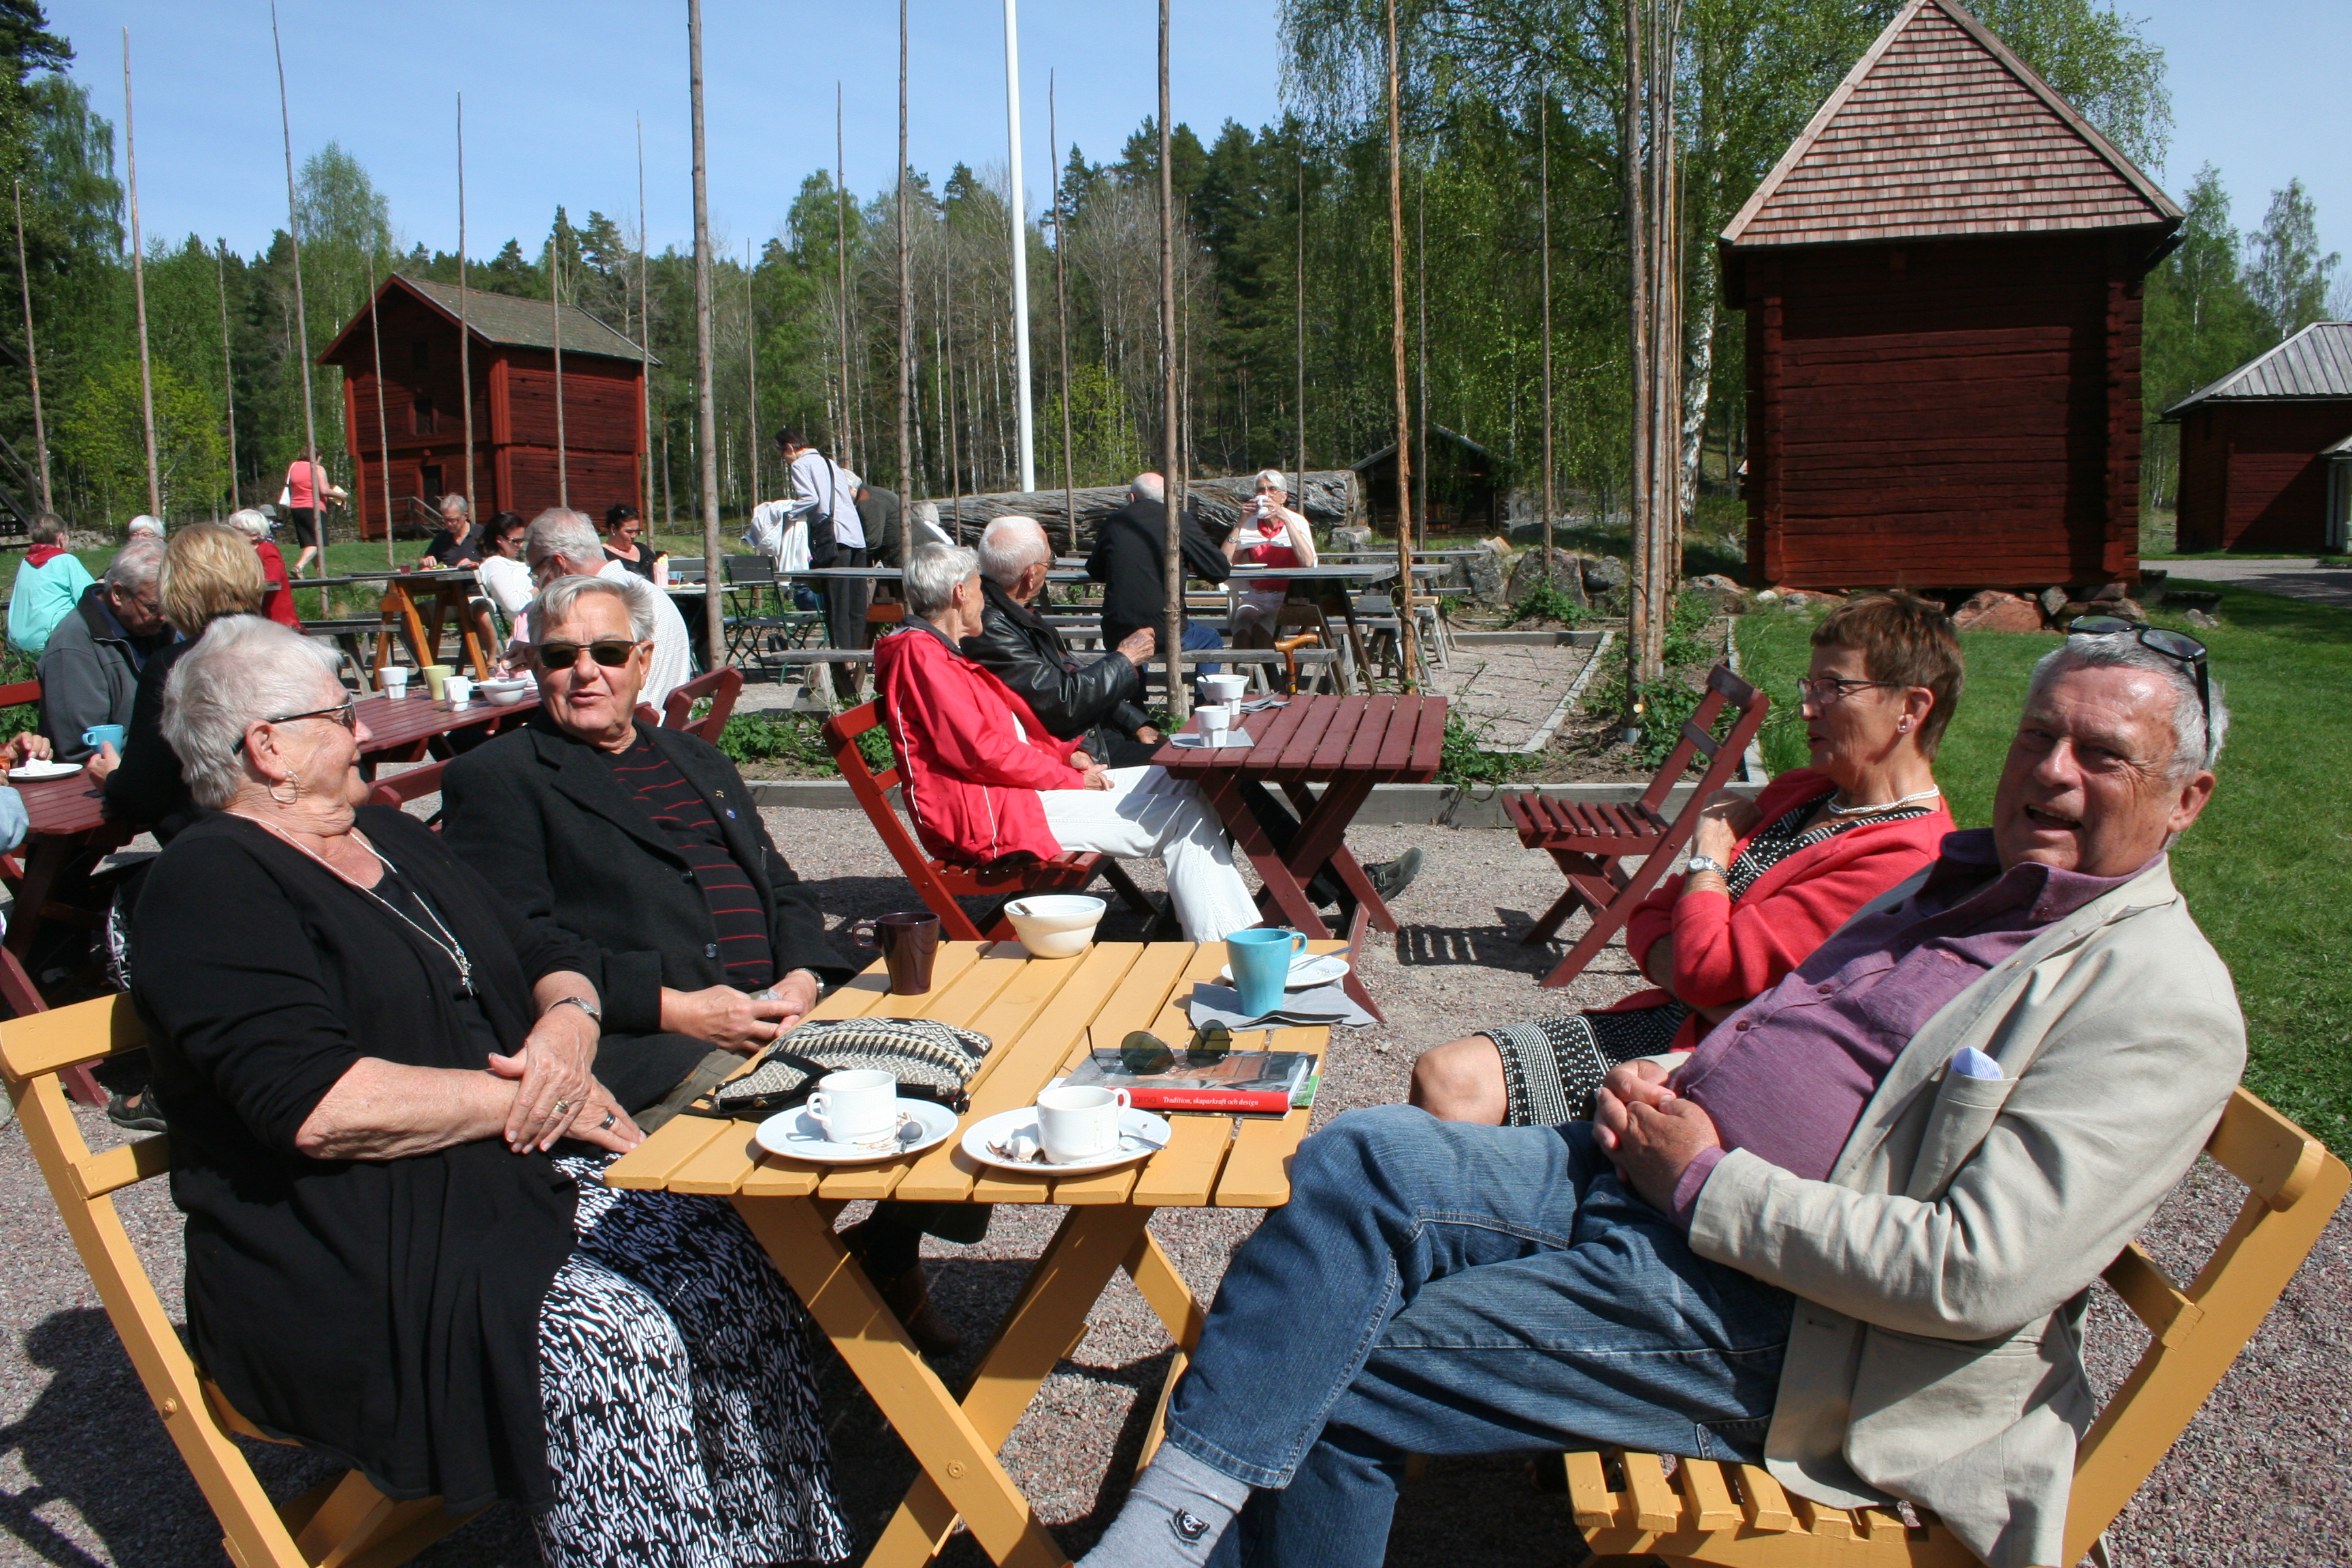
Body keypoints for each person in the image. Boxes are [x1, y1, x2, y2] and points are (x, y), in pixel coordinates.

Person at [1075, 623, 2242, 1568]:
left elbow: (1976, 1270)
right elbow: (1808, 1023)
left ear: (2186, 800)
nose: (2051, 769)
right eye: (2043, 733)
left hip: (1792, 1325)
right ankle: (1167, 1532)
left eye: (2103, 755)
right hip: (1648, 1177)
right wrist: (1689, 1071)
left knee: (1346, 1365)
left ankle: (1170, 1535)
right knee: (1359, 1155)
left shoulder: (2157, 998)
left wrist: (1704, 1173)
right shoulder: (1969, 876)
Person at [131, 616, 849, 1567]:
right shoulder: (210, 881)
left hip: (502, 1185)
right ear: (268, 749)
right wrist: (529, 1099)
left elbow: (543, 951)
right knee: (616, 1339)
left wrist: (566, 1029)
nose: (365, 733)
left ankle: (780, 1550)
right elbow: (320, 1107)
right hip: (357, 1247)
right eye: (342, 714)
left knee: (730, 1252)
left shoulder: (387, 834)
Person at [440, 570, 973, 1352]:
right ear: (533, 666)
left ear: (644, 658)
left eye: (609, 651)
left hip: (778, 1011)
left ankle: (887, 1247)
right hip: (662, 1045)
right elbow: (514, 948)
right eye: (561, 657)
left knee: (961, 1060)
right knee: (880, 1104)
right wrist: (684, 1010)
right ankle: (808, 1297)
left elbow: (784, 889)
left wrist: (801, 973)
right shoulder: (499, 779)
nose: (586, 672)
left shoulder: (696, 759)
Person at [1413, 593, 1959, 1126]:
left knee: (1450, 1083)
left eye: (1835, 687)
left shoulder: (1900, 856)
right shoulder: (1807, 791)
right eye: (1810, 684)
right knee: (1441, 1075)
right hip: (1676, 1022)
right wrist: (1701, 978)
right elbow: (1649, 917)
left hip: (1713, 1071)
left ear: (1911, 708)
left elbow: (1703, 969)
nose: (1807, 706)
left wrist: (1711, 857)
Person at [966, 516, 1421, 907]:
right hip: (1064, 765)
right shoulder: (993, 626)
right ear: (1031, 575)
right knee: (1216, 774)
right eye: (1047, 563)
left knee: (1219, 771)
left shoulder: (1008, 612)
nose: (1047, 573)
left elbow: (1064, 678)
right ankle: (1341, 886)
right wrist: (1124, 661)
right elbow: (1062, 704)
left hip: (1079, 751)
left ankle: (1328, 883)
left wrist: (1137, 722)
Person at [879, 542, 1258, 943]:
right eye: (977, 588)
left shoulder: (938, 652)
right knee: (1182, 814)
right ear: (960, 593)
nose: (982, 602)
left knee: (1186, 781)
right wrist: (1069, 780)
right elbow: (980, 752)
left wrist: (1068, 756)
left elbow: (1006, 732)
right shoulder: (921, 655)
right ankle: (1228, 953)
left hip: (1010, 796)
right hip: (989, 814)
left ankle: (1227, 943)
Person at [90, 523, 274, 836]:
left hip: (227, 850)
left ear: (176, 588)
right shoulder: (298, 649)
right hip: (301, 829)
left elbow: (140, 798)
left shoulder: (175, 666)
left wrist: (112, 777)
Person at [512, 508, 692, 708]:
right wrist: (543, 653)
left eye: (537, 574)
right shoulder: (638, 587)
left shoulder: (602, 602)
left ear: (558, 564)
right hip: (662, 722)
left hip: (635, 727)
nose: (538, 586)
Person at [40, 538, 174, 763]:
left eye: (169, 605)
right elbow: (81, 746)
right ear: (118, 594)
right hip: (96, 779)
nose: (164, 617)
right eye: (154, 607)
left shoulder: (155, 629)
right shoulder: (74, 646)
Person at [1086, 472, 1230, 679]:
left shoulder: (1113, 522)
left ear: (1133, 497)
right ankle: (1206, 705)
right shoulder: (1179, 520)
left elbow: (1095, 571)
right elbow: (1219, 571)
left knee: (1131, 640)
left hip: (1117, 630)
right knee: (1212, 639)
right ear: (1167, 498)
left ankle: (1135, 702)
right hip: (1166, 632)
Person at [776, 427, 868, 651]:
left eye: (781, 453)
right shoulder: (830, 464)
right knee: (855, 605)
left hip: (833, 537)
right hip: (856, 537)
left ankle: (842, 660)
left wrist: (786, 513)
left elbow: (811, 498)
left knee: (836, 604)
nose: (783, 459)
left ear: (789, 448)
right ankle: (856, 658)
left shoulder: (801, 465)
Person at [1226, 468, 1318, 648]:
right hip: (1256, 596)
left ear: (1284, 497)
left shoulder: (1297, 522)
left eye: (1272, 490)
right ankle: (1244, 675)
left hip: (1290, 597)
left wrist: (1285, 519)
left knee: (1263, 626)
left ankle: (1268, 676)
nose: (1266, 495)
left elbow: (1308, 563)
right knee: (1242, 626)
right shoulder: (1249, 524)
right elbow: (1224, 560)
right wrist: (1240, 523)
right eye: (1261, 490)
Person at [7, 512, 94, 655]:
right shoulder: (65, 560)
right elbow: (89, 598)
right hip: (52, 641)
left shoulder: (25, 562)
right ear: (61, 538)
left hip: (18, 642)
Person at [226, 508, 301, 628]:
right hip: (255, 619)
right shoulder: (240, 554)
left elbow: (272, 579)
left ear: (255, 534)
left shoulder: (267, 549)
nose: (231, 534)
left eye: (238, 530)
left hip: (278, 622)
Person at [280, 452, 346, 575]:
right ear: (317, 456)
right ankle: (299, 566)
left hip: (296, 508)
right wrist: (341, 496)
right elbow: (324, 491)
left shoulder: (294, 466)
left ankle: (322, 574)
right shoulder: (317, 468)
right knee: (318, 541)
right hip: (313, 508)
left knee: (310, 542)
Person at [474, 510, 534, 644]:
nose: (520, 545)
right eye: (516, 541)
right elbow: (514, 605)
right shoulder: (495, 565)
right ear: (500, 539)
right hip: (532, 625)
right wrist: (539, 589)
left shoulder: (511, 562)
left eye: (522, 540)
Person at [602, 502, 667, 585]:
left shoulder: (643, 550)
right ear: (613, 529)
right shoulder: (602, 555)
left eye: (636, 531)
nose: (633, 535)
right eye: (629, 531)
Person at [416, 493, 485, 569]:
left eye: (452, 520)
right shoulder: (442, 538)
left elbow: (497, 561)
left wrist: (476, 564)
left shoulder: (482, 534)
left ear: (465, 516)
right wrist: (424, 562)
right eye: (445, 520)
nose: (448, 524)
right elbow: (421, 563)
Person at [854, 477, 904, 568]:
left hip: (910, 556)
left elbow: (873, 541)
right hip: (904, 554)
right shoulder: (873, 493)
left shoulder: (868, 499)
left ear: (849, 489)